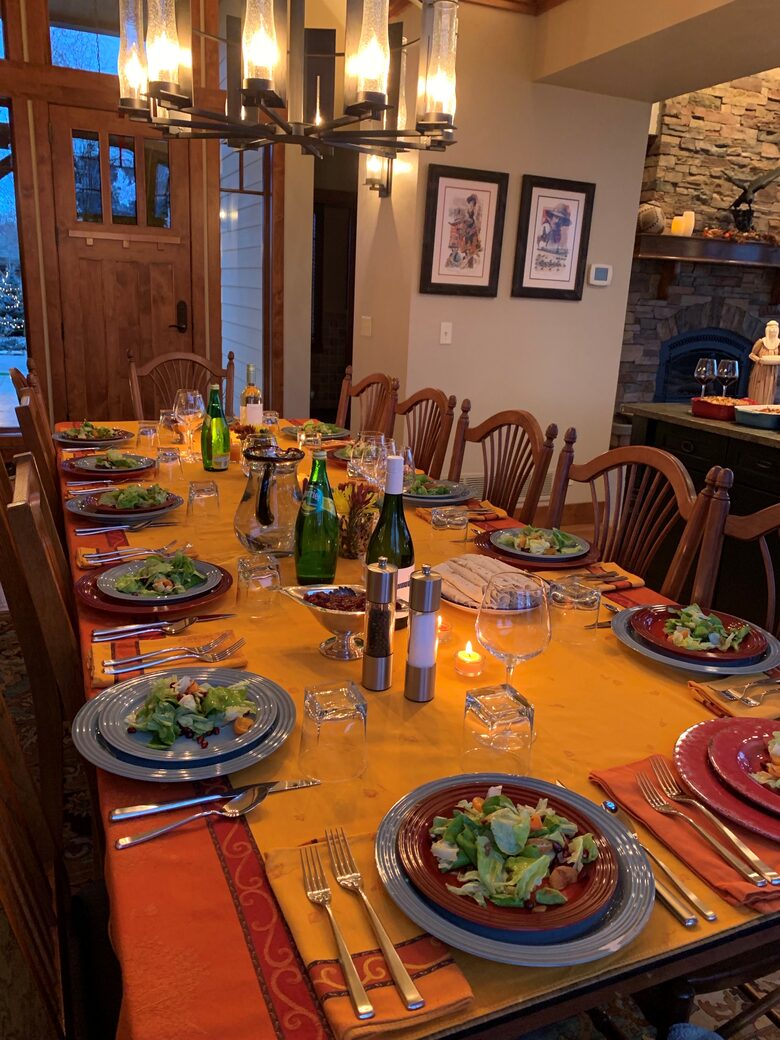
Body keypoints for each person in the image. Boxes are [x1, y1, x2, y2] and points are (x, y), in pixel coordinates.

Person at [747, 319, 780, 404]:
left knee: (768, 391)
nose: (773, 332)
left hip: (772, 372)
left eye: (775, 330)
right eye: (771, 330)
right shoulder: (761, 342)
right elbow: (751, 355)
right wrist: (759, 360)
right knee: (758, 390)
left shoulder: (778, 343)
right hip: (760, 371)